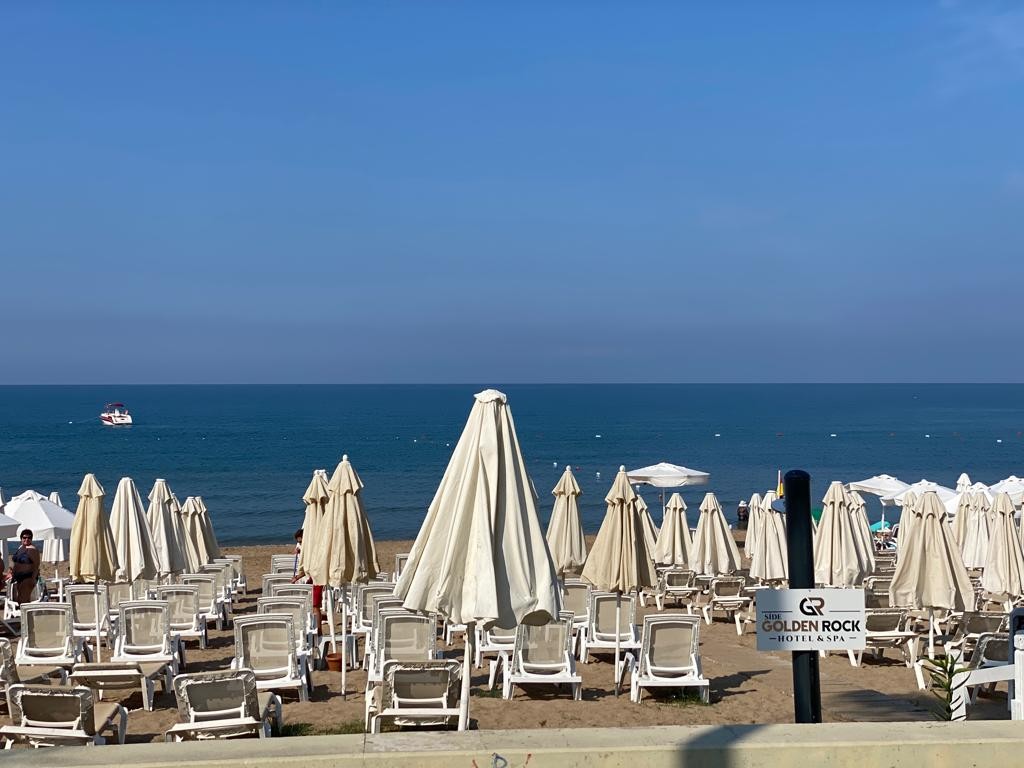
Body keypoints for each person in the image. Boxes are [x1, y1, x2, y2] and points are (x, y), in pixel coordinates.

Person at [290, 530, 323, 636]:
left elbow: (309, 568)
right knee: (310, 605)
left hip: (317, 579)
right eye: (299, 542)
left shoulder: (313, 550)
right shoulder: (309, 549)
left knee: (315, 606)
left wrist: (297, 577)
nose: (300, 544)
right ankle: (316, 629)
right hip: (312, 579)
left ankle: (319, 632)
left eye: (301, 542)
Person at [9, 530, 40, 604]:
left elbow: (36, 566)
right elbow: (15, 562)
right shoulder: (20, 548)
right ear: (21, 538)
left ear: (31, 539)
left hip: (27, 577)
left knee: (23, 600)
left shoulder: (33, 549)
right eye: (24, 537)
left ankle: (24, 611)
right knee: (20, 599)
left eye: (29, 538)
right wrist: (12, 570)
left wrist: (33, 579)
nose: (27, 539)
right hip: (18, 577)